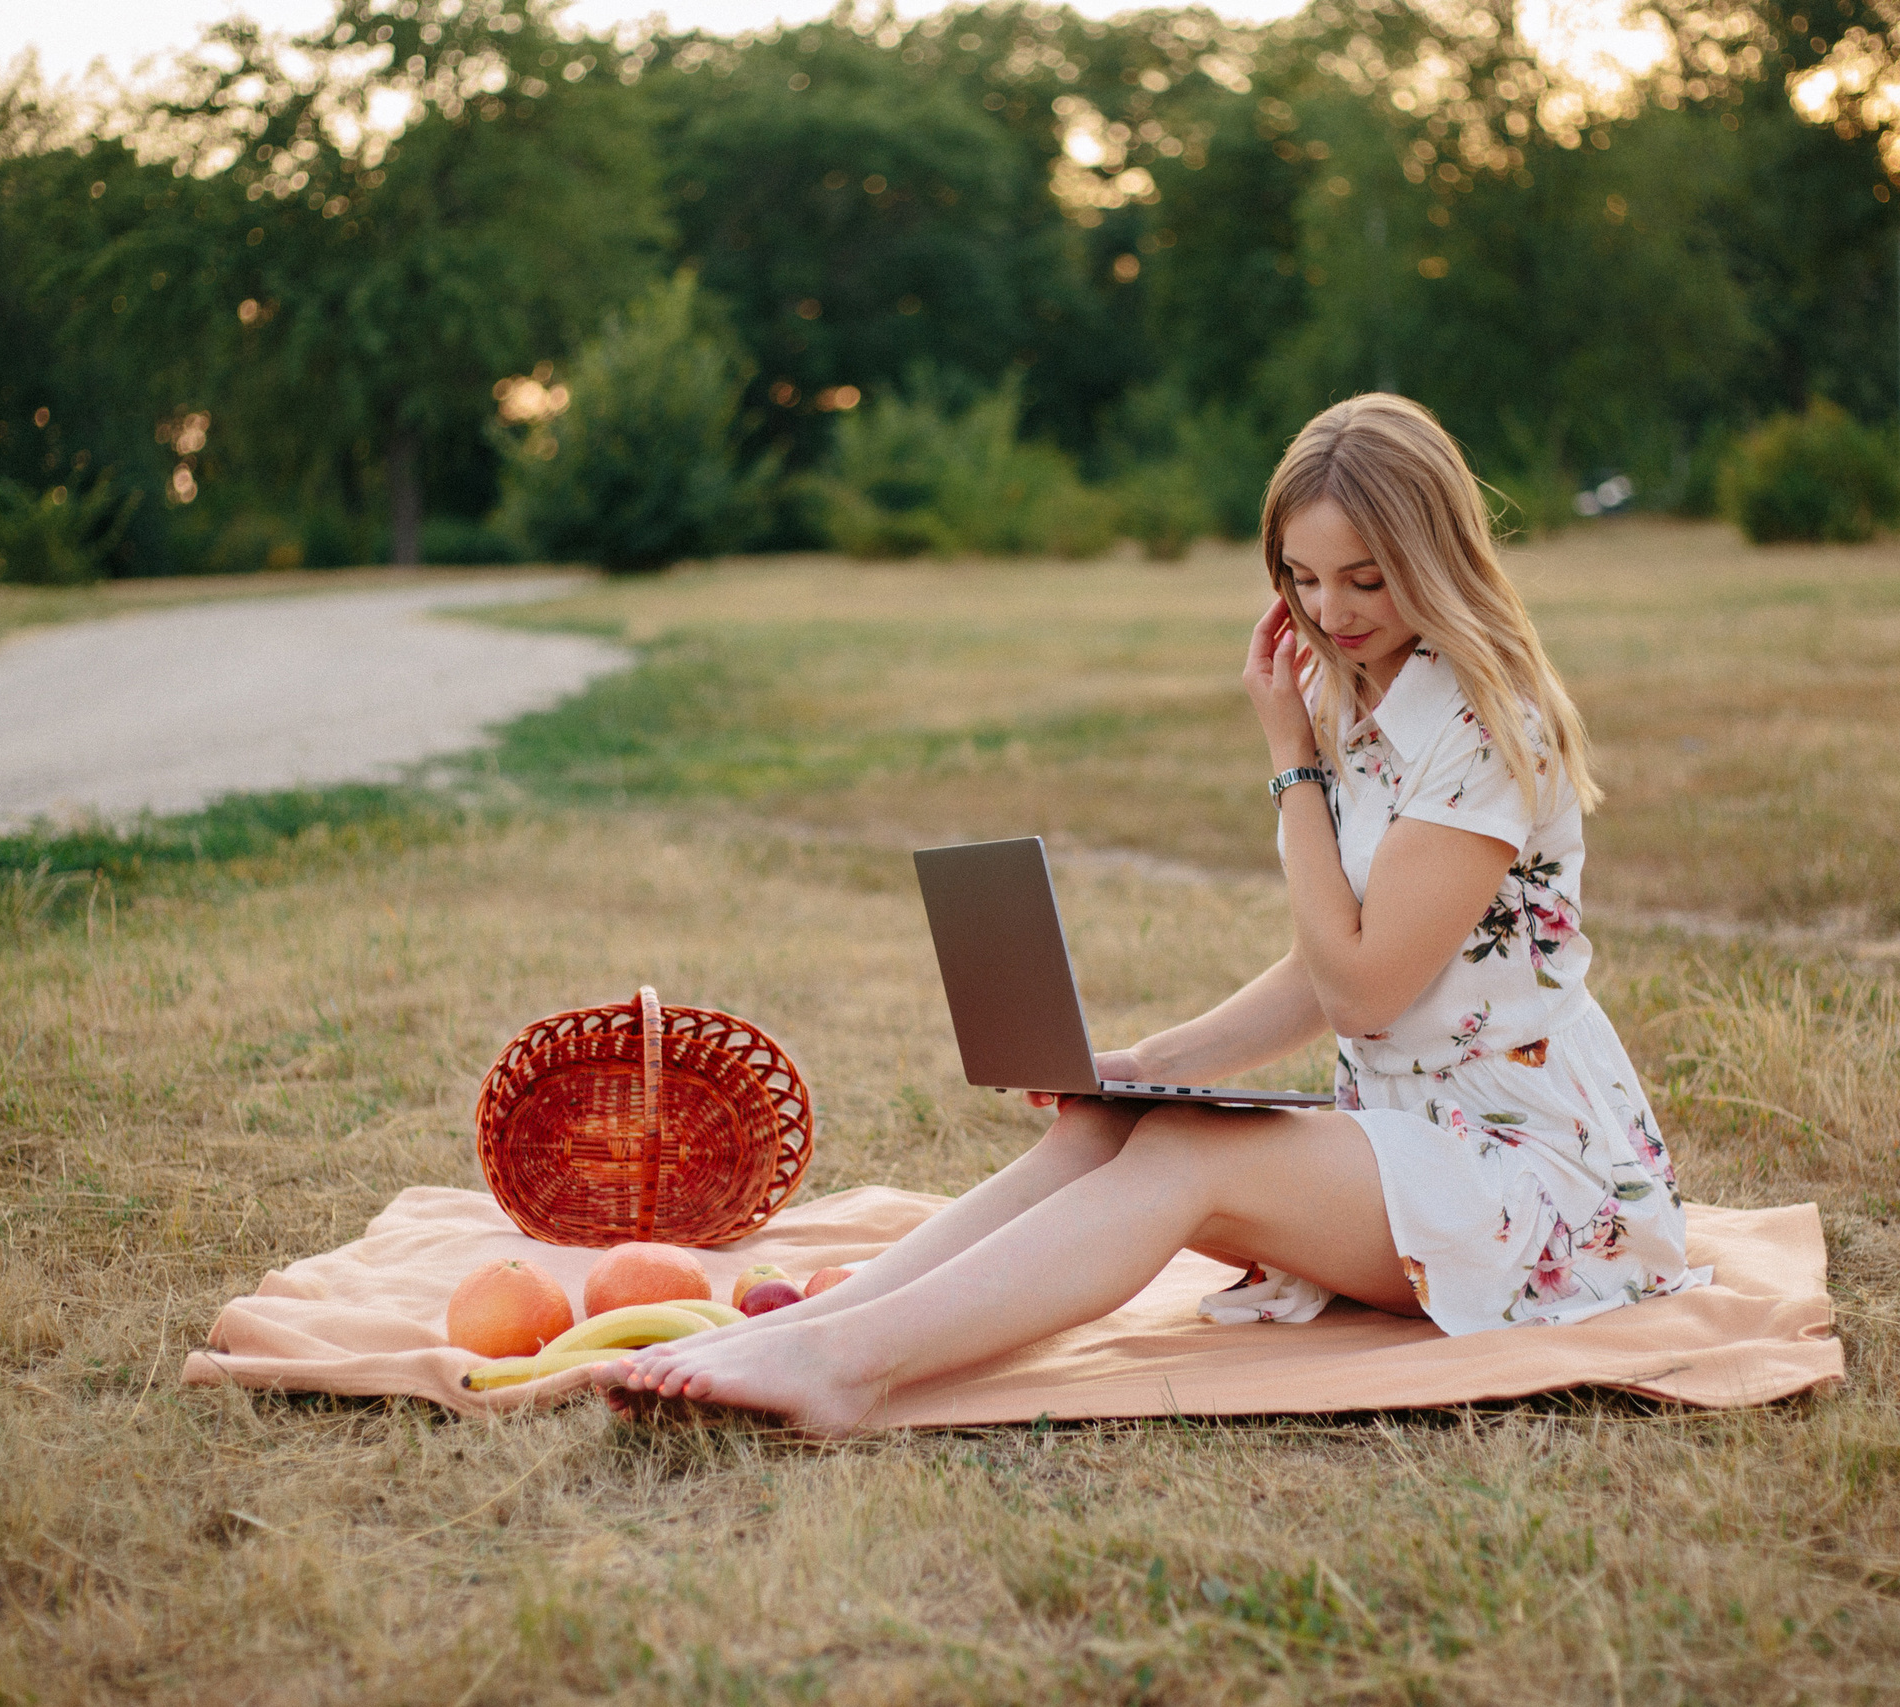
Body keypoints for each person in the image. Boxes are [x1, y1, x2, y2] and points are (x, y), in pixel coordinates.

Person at [599, 392, 1699, 1434]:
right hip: (1403, 1138)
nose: (1329, 614)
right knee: (1117, 1120)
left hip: (1540, 1179)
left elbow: (1362, 991)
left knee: (1187, 1155)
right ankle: (814, 1323)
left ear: (1435, 562)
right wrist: (1143, 1063)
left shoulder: (1484, 728)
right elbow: (1322, 967)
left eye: (1365, 581)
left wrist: (1289, 767)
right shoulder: (1345, 691)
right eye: (1302, 580)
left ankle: (836, 1371)